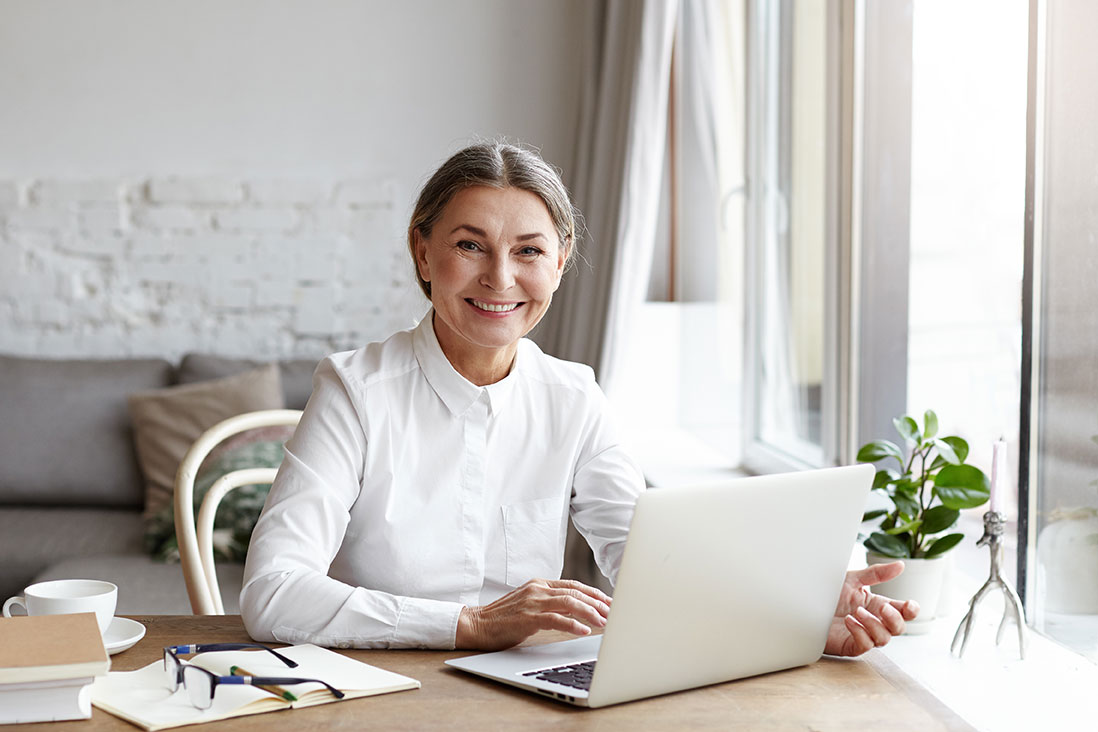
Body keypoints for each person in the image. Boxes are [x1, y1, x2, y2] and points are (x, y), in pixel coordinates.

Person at [240, 141, 917, 655]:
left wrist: (796, 617)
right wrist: (469, 624)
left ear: (560, 260)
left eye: (528, 251)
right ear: (422, 253)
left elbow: (653, 567)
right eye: (469, 245)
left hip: (530, 689)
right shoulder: (354, 389)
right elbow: (273, 595)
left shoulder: (574, 396)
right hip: (385, 686)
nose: (500, 278)